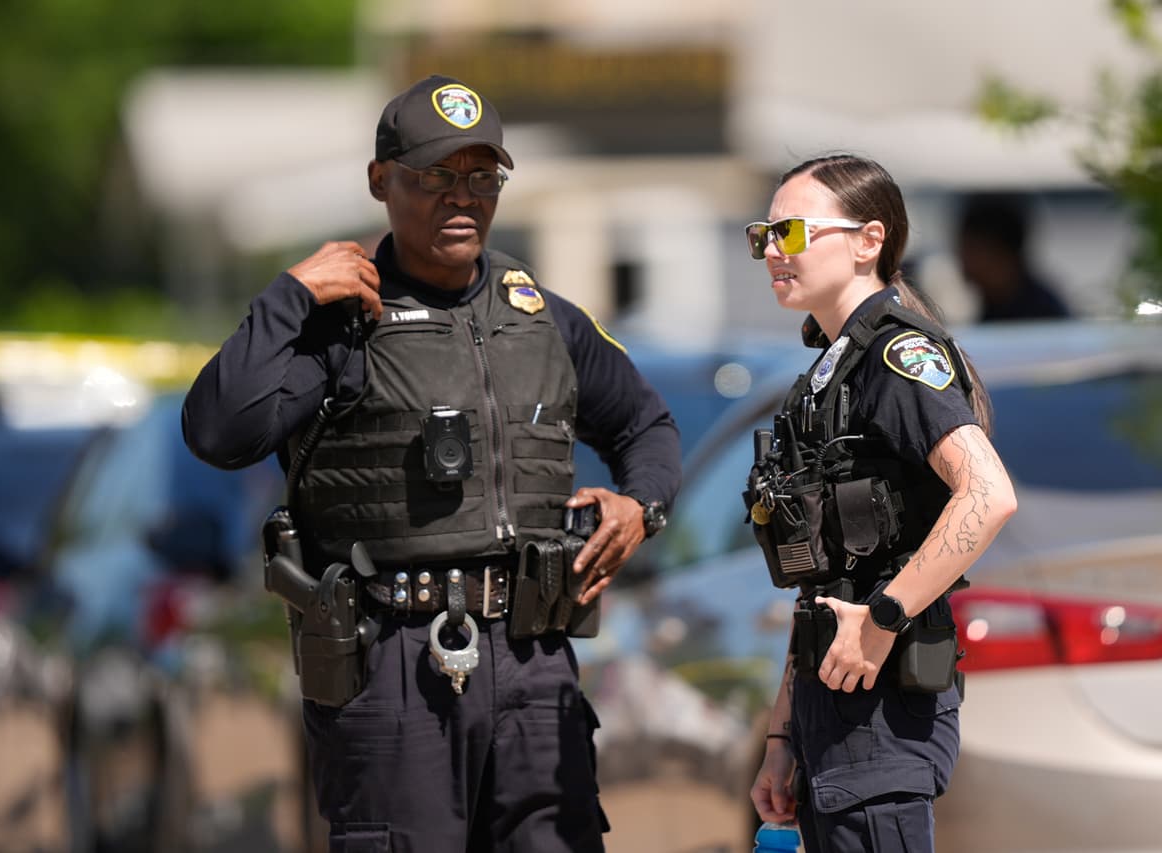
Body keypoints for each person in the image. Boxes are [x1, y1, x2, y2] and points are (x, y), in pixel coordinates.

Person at [181, 74, 681, 853]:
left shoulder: (544, 319)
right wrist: (288, 298)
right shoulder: (341, 322)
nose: (464, 197)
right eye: (436, 176)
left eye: (483, 177)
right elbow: (218, 432)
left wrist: (639, 504)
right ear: (382, 181)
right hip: (392, 662)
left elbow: (647, 424)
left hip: (534, 657)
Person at [741, 155, 1018, 852]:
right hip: (830, 713)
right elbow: (821, 576)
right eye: (763, 235)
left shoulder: (896, 358)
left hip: (884, 715)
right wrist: (782, 730)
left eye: (794, 232)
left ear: (869, 240)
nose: (774, 250)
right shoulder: (829, 371)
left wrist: (886, 616)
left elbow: (987, 495)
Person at [955, 191, 1070, 322]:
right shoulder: (993, 304)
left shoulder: (1044, 314)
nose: (961, 258)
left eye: (971, 249)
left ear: (1001, 254)